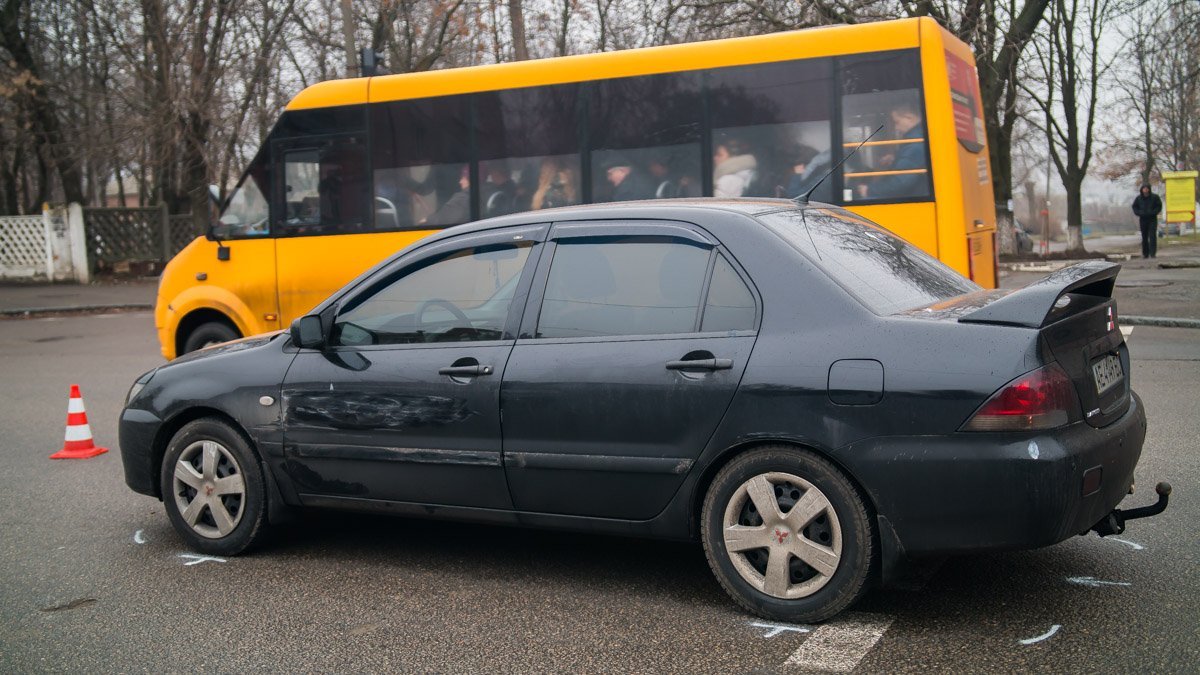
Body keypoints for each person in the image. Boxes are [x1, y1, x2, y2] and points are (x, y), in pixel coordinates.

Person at [862, 100, 927, 199]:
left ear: (909, 118)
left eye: (897, 122)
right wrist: (895, 158)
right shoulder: (916, 138)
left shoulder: (915, 143)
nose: (896, 128)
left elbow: (900, 182)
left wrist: (869, 190)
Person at [1131, 183, 1163, 259]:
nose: (1145, 190)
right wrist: (1139, 213)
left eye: (1146, 188)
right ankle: (1145, 253)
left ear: (1149, 189)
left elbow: (1159, 206)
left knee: (1152, 236)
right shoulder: (1139, 198)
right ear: (1142, 190)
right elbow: (1134, 207)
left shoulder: (1154, 197)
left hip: (1152, 219)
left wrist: (1153, 212)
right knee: (1144, 236)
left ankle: (1153, 253)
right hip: (1143, 219)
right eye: (1144, 188)